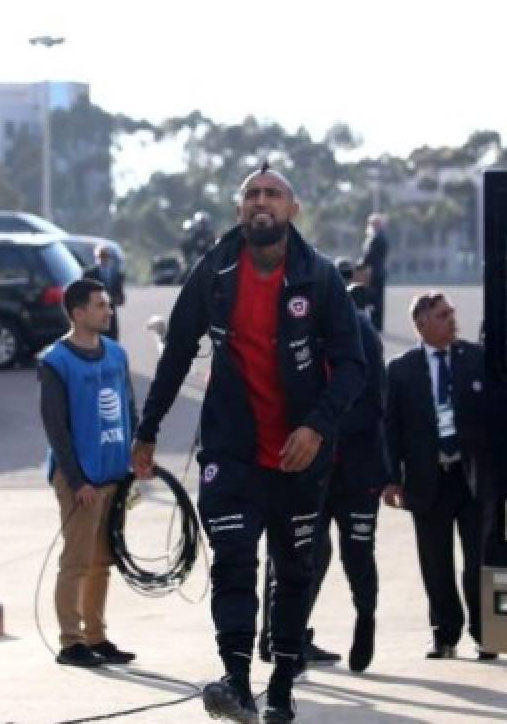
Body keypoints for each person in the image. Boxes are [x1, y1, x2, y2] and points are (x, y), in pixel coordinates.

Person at [132, 165, 365, 724]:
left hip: (299, 457)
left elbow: (355, 367)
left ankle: (282, 687)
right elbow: (178, 351)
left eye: (274, 194)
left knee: (293, 573)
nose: (262, 202)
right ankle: (235, 679)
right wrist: (148, 428)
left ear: (293, 209)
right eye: (252, 194)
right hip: (232, 452)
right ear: (240, 208)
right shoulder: (214, 270)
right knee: (233, 563)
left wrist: (316, 427)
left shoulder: (320, 277)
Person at [259, 276, 388, 674]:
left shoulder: (363, 336)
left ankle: (365, 617)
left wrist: (321, 428)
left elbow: (373, 406)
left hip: (354, 468)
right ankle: (285, 641)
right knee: (299, 553)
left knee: (357, 555)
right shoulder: (299, 332)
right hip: (306, 472)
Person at [381, 292, 495, 661]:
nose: (451, 319)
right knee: (436, 564)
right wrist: (390, 478)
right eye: (443, 315)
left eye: (451, 313)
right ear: (422, 324)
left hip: (470, 479)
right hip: (427, 479)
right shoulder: (401, 370)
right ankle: (445, 635)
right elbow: (390, 429)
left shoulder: (475, 359)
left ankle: (485, 634)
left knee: (478, 562)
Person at [40, 277, 146, 668]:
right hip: (79, 480)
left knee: (103, 561)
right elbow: (56, 428)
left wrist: (136, 457)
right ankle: (71, 643)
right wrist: (77, 480)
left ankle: (96, 636)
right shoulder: (55, 361)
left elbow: (129, 411)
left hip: (113, 474)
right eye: (100, 305)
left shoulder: (117, 355)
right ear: (78, 312)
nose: (108, 311)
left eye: (108, 305)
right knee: (77, 560)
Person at [83, 244, 125, 341]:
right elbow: (85, 294)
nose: (103, 259)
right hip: (94, 315)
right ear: (96, 257)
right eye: (100, 256)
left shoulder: (116, 274)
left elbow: (121, 297)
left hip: (111, 316)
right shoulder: (89, 274)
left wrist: (115, 299)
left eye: (105, 256)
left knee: (112, 341)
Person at [361, 212, 389, 333]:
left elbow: (369, 256)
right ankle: (377, 324)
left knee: (375, 300)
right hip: (378, 271)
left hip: (374, 273)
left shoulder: (377, 238)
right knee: (377, 300)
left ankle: (376, 325)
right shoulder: (379, 236)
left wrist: (360, 265)